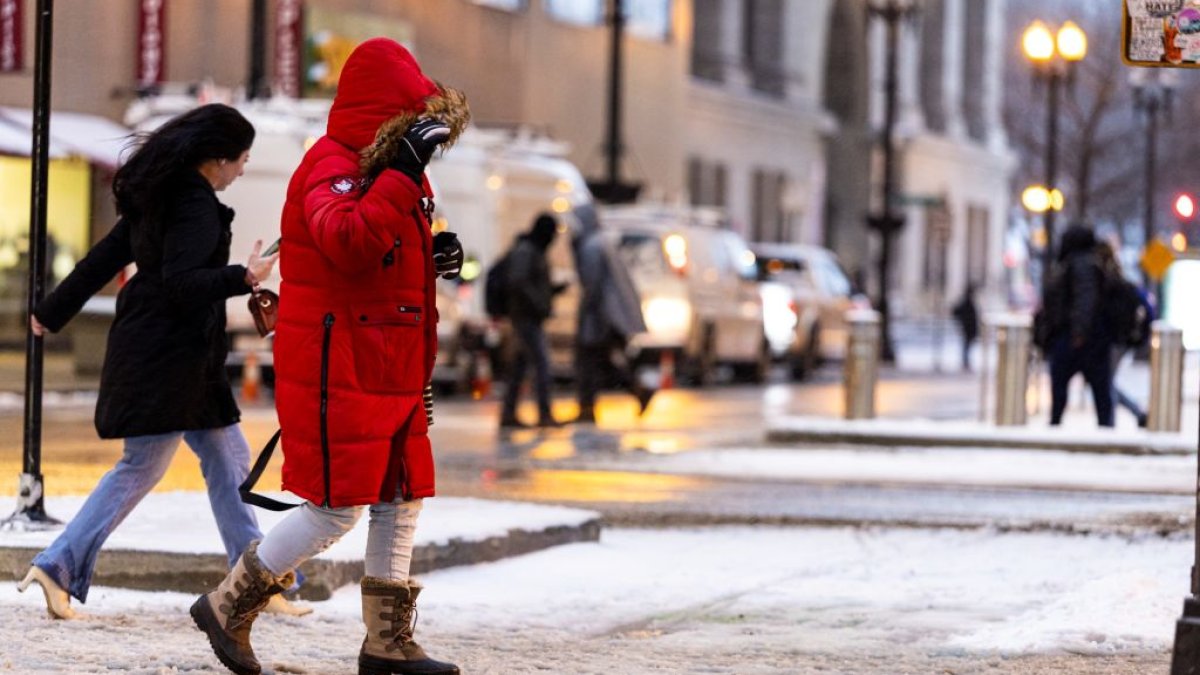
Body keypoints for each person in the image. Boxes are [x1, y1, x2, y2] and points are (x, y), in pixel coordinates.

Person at [190, 38, 468, 675]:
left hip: (392, 360)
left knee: (401, 497)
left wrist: (436, 251)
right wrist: (399, 174)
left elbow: (386, 247)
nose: (416, 132)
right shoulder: (329, 165)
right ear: (382, 113)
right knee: (335, 506)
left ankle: (387, 643)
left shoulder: (396, 171)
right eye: (406, 116)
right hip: (338, 364)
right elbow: (346, 239)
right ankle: (230, 603)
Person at [16, 104, 290, 620]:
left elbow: (102, 258)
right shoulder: (192, 204)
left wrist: (52, 312)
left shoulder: (161, 198)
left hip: (180, 357)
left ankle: (254, 582)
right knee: (142, 467)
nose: (244, 169)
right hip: (169, 358)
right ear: (218, 158)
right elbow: (182, 284)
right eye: (243, 159)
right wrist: (244, 277)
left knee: (230, 462)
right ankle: (58, 565)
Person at [572, 209, 655, 423]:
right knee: (604, 361)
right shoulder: (603, 242)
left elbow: (593, 286)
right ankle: (635, 390)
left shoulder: (592, 246)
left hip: (601, 316)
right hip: (612, 315)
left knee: (589, 362)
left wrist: (588, 317)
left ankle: (588, 408)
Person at [499, 213, 567, 429]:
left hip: (528, 316)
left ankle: (509, 414)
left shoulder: (532, 250)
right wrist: (539, 302)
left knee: (519, 367)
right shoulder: (527, 251)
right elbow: (519, 282)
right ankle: (544, 414)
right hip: (526, 317)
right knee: (542, 365)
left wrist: (551, 291)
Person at [1042, 225, 1114, 427]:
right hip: (1086, 337)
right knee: (1100, 388)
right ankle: (1105, 426)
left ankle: (1057, 422)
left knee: (1064, 384)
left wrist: (1078, 332)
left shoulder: (1081, 264)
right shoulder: (1089, 263)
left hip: (1078, 338)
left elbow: (1085, 299)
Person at [1096, 241, 1151, 428]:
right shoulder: (1120, 277)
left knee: (1105, 382)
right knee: (1105, 382)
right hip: (1122, 338)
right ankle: (1135, 413)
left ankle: (1122, 418)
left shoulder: (1103, 279)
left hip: (1112, 338)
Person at [950, 282, 980, 372]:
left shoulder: (968, 302)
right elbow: (956, 312)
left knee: (966, 347)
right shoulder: (967, 302)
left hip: (968, 329)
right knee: (966, 347)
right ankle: (965, 363)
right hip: (968, 329)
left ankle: (965, 363)